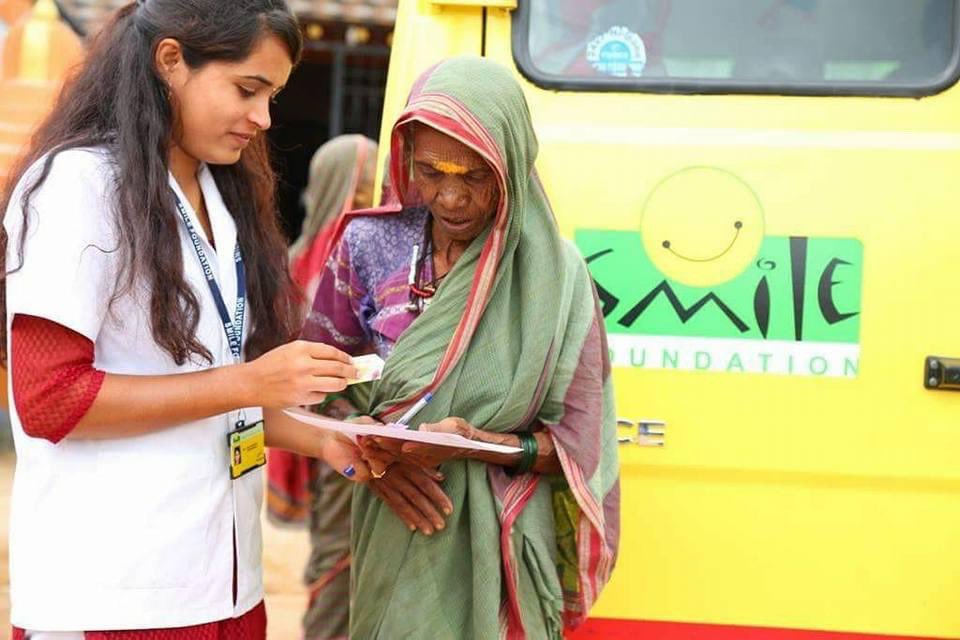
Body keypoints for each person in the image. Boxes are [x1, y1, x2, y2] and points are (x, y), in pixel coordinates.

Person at [1, 1, 371, 638]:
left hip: (227, 592)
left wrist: (325, 440)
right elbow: (49, 400)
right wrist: (252, 383)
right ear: (170, 61)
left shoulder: (220, 194)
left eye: (272, 95)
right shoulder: (79, 185)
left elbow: (215, 392)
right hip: (115, 598)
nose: (263, 117)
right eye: (248, 89)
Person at [301, 56, 620, 639]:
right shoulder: (368, 246)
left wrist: (479, 445)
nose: (449, 198)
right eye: (430, 172)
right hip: (386, 529)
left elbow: (575, 450)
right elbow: (316, 390)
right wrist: (372, 462)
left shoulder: (557, 277)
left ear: (512, 166)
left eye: (474, 177)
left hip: (500, 550)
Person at [265, 134, 378, 640]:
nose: (376, 193)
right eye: (365, 183)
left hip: (316, 425)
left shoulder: (299, 256)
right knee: (342, 554)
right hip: (340, 427)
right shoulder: (342, 252)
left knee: (340, 550)